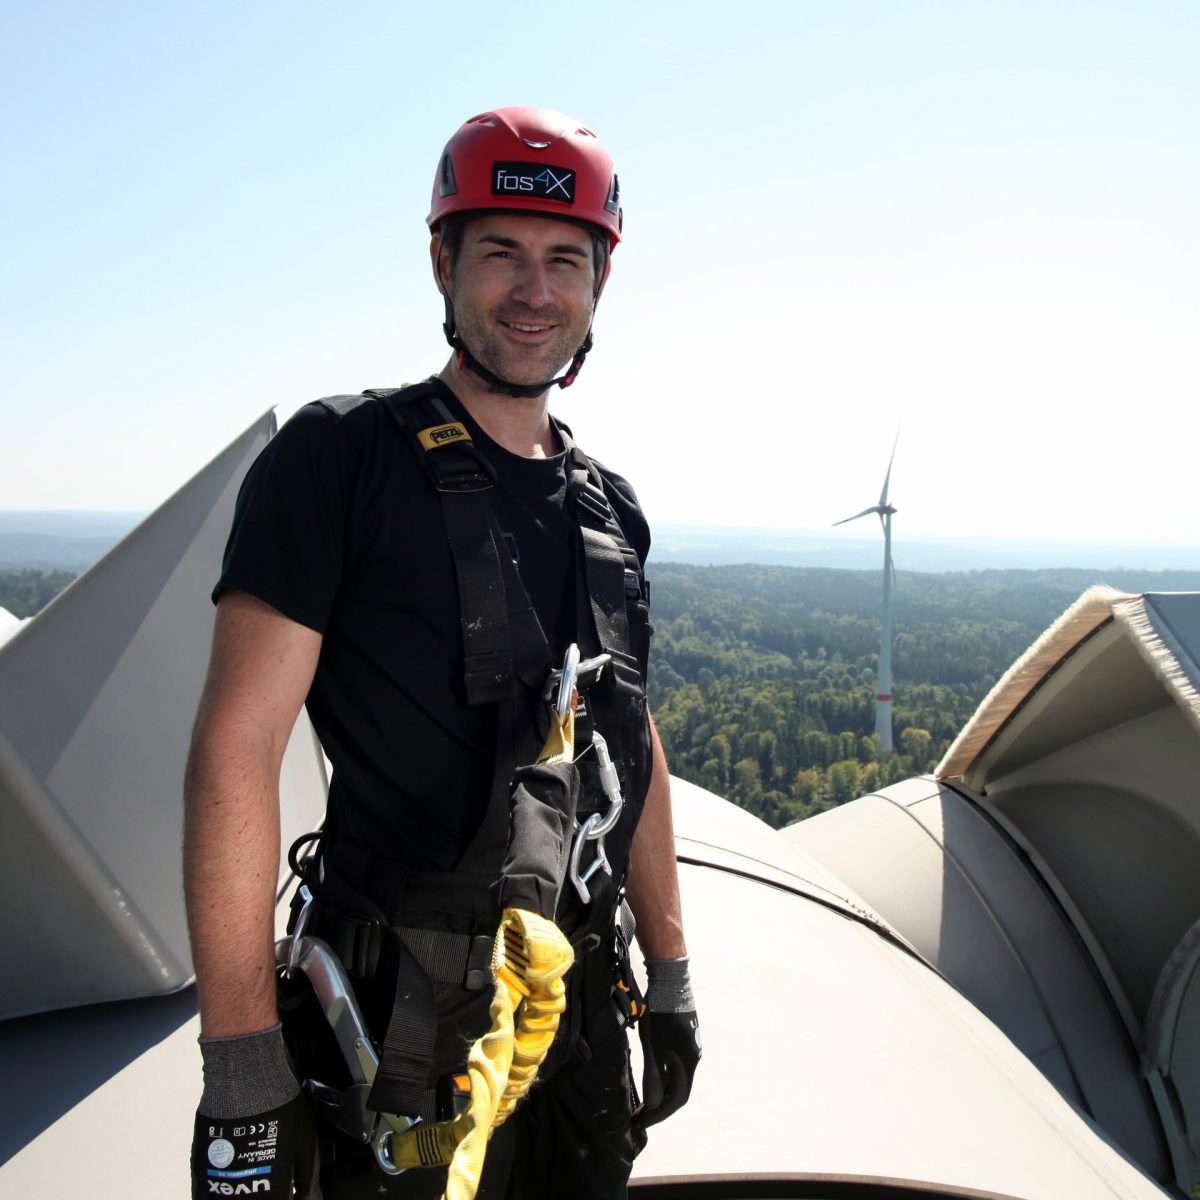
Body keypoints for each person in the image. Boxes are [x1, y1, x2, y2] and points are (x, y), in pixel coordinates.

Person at [183, 106, 700, 1200]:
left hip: (572, 1024)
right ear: (442, 263)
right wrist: (242, 1067)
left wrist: (674, 972)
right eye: (501, 253)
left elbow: (629, 742)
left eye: (565, 259)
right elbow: (237, 745)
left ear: (599, 284)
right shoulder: (343, 460)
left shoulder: (614, 513)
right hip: (397, 1032)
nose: (535, 289)